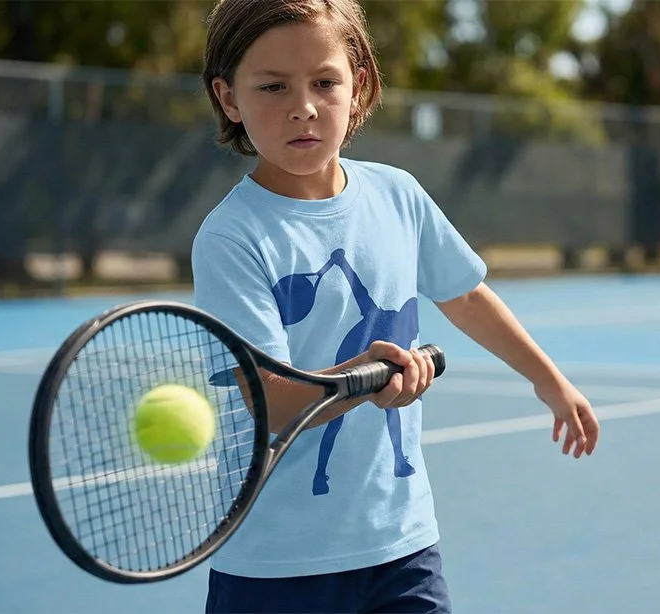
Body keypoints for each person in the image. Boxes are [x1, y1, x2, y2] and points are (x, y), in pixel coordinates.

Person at [192, 1, 600, 612]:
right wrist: (361, 381)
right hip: (275, 563)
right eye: (272, 86)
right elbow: (266, 398)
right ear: (229, 100)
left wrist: (549, 381)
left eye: (324, 82)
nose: (303, 106)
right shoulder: (232, 238)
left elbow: (465, 295)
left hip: (401, 548)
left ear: (358, 86)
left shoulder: (397, 194)